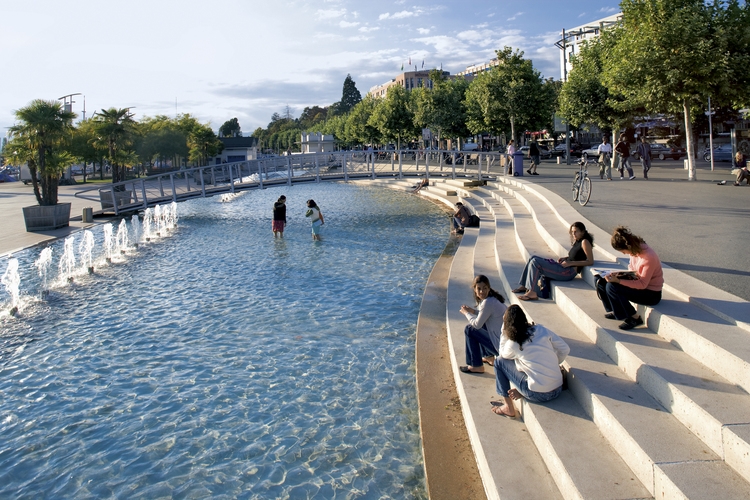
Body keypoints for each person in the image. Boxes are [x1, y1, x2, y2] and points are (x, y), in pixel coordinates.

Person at [491, 305, 570, 417]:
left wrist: (503, 331)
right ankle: (524, 390)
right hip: (558, 388)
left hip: (537, 394)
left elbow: (502, 355)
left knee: (499, 362)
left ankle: (508, 407)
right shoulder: (541, 329)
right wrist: (554, 363)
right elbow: (565, 349)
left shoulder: (513, 342)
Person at [597, 226, 663, 330]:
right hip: (638, 282)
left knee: (612, 287)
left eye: (623, 251)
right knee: (601, 281)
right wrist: (618, 275)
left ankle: (635, 318)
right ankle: (617, 311)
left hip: (651, 294)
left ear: (627, 247)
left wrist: (618, 281)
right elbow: (632, 269)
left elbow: (642, 284)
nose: (623, 253)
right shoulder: (634, 250)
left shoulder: (648, 257)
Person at [513, 222, 595, 301]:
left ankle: (532, 293)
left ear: (583, 232)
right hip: (564, 267)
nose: (573, 234)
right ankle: (525, 285)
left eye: (576, 231)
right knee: (533, 258)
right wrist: (566, 258)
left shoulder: (585, 242)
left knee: (535, 262)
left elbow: (590, 261)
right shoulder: (578, 240)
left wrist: (571, 263)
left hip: (568, 272)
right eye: (572, 232)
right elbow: (576, 256)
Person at [458, 275, 508, 374]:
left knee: (470, 329)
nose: (482, 291)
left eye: (485, 288)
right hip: (501, 342)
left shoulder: (488, 303)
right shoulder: (492, 299)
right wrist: (473, 311)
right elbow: (485, 314)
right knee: (483, 322)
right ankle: (489, 357)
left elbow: (476, 325)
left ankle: (475, 366)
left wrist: (466, 313)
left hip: (500, 347)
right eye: (479, 289)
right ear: (475, 289)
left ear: (489, 288)